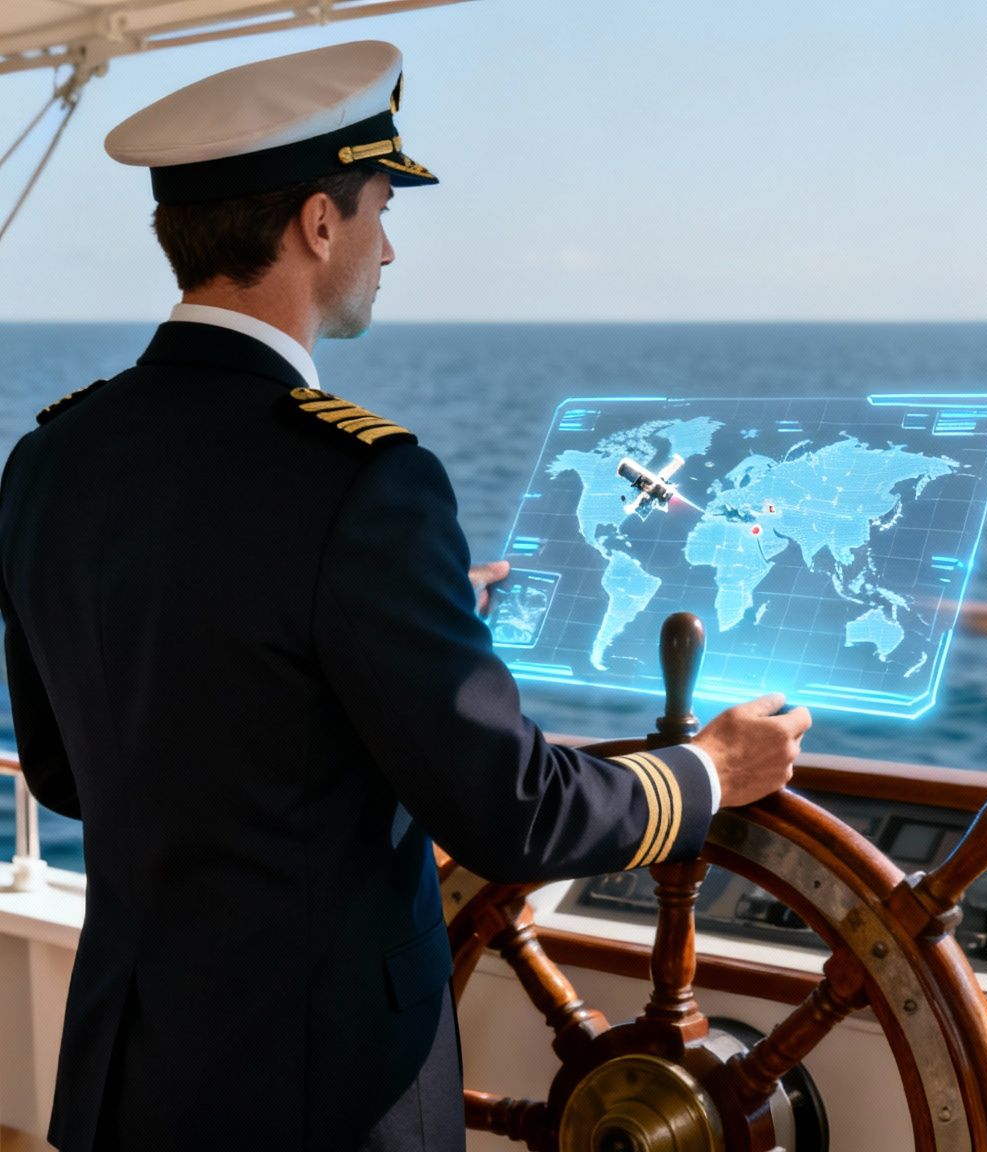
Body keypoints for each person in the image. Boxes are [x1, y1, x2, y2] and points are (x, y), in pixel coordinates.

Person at [0, 41, 811, 1151]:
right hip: (315, 1094)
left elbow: (66, 771)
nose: (390, 245)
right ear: (317, 226)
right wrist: (706, 771)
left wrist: (383, 627)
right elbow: (511, 813)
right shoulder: (360, 482)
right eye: (380, 207)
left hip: (125, 1076)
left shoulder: (50, 459)